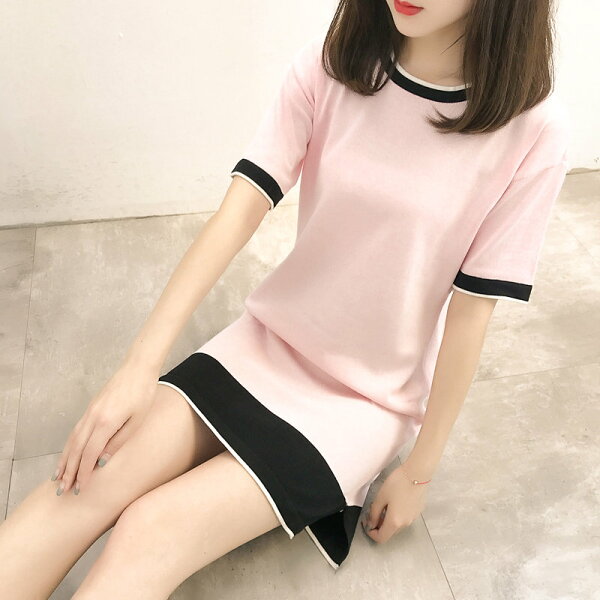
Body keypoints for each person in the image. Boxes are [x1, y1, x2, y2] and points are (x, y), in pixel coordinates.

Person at [0, 0, 570, 597]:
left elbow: (471, 314)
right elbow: (239, 210)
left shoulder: (533, 132)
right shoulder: (333, 67)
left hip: (364, 400)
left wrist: (419, 472)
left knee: (151, 529)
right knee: (91, 479)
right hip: (266, 344)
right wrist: (137, 369)